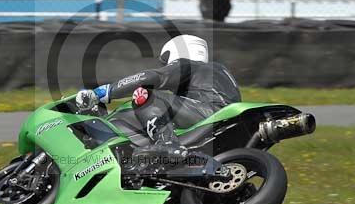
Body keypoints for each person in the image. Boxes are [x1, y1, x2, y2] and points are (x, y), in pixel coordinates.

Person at [75, 35, 241, 156]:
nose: (166, 65)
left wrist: (103, 93)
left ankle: (166, 143)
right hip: (222, 119)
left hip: (207, 112)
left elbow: (149, 77)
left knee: (143, 93)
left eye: (166, 60)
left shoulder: (186, 64)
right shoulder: (219, 71)